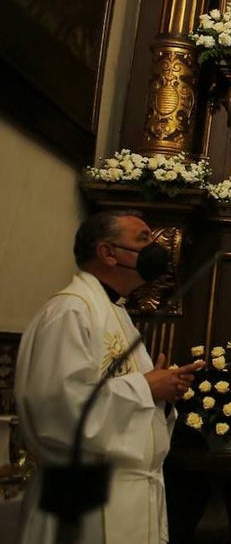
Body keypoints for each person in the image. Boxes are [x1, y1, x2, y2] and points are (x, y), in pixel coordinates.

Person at [14, 210, 203, 543]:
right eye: (143, 239)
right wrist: (146, 385)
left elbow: (124, 392)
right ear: (108, 253)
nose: (156, 248)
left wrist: (162, 389)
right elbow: (58, 407)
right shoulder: (71, 310)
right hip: (85, 498)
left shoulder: (113, 310)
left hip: (127, 490)